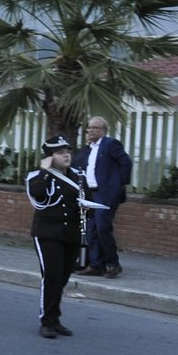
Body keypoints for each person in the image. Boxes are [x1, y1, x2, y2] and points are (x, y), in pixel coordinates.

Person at [28, 136, 89, 338]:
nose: (66, 155)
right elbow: (37, 195)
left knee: (62, 278)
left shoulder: (78, 176)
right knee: (51, 276)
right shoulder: (37, 176)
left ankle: (55, 319)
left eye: (67, 151)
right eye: (60, 152)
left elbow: (88, 203)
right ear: (49, 157)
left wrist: (87, 209)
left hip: (70, 234)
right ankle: (46, 321)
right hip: (47, 233)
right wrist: (45, 171)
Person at [73, 116, 132, 278]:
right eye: (88, 128)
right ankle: (96, 265)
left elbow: (126, 162)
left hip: (105, 195)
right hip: (91, 194)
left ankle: (113, 264)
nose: (90, 130)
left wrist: (119, 185)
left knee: (103, 228)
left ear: (103, 130)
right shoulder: (90, 148)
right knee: (92, 230)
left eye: (94, 128)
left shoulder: (110, 144)